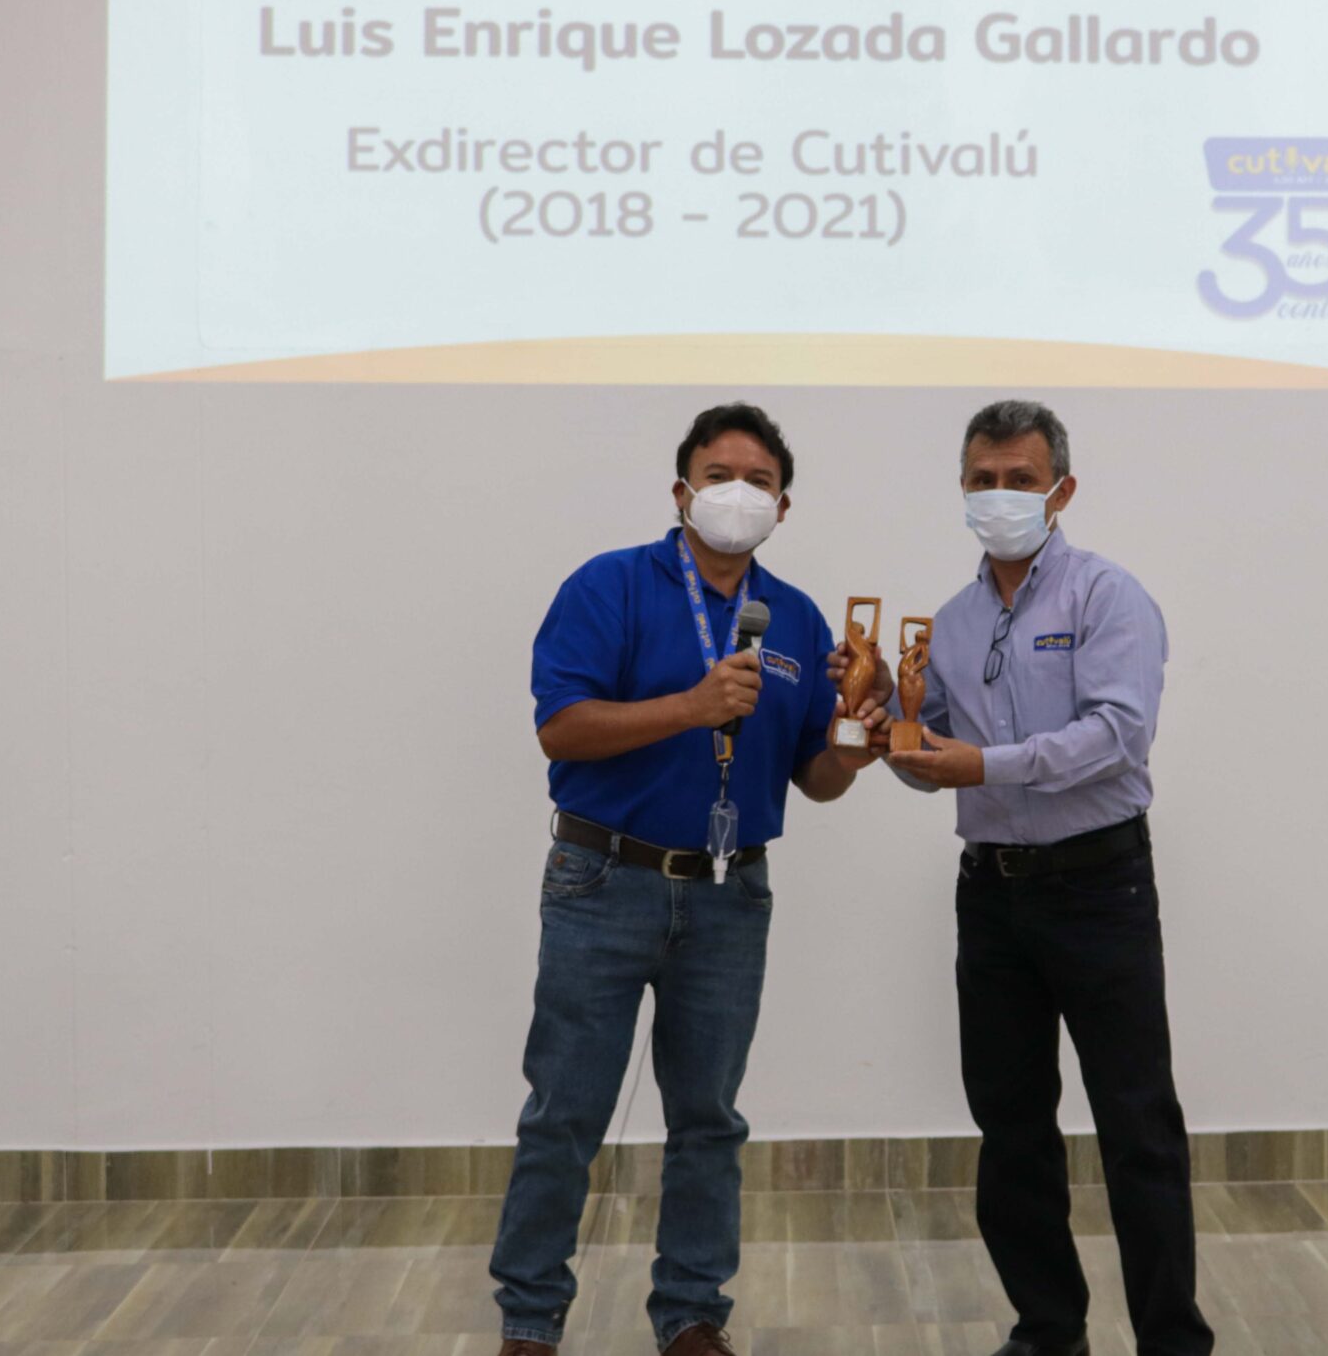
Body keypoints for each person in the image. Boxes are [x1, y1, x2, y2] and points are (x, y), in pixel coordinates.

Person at [491, 403, 884, 1356]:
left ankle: (692, 1313)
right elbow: (560, 727)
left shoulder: (795, 619)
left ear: (783, 507)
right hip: (603, 880)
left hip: (730, 894)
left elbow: (815, 780)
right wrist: (690, 705)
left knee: (708, 1118)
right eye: (719, 475)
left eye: (760, 481)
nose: (737, 493)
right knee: (565, 1110)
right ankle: (530, 1320)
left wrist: (855, 744)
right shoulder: (610, 585)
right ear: (681, 490)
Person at [865, 399, 1213, 1356]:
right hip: (992, 895)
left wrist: (984, 764)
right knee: (1011, 1127)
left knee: (1137, 1125)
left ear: (1061, 490)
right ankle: (1049, 1330)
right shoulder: (952, 621)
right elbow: (930, 757)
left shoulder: (1106, 596)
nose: (1000, 496)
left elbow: (1117, 735)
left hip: (1099, 887)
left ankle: (1172, 1341)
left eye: (1020, 479)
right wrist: (886, 729)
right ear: (961, 488)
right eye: (983, 480)